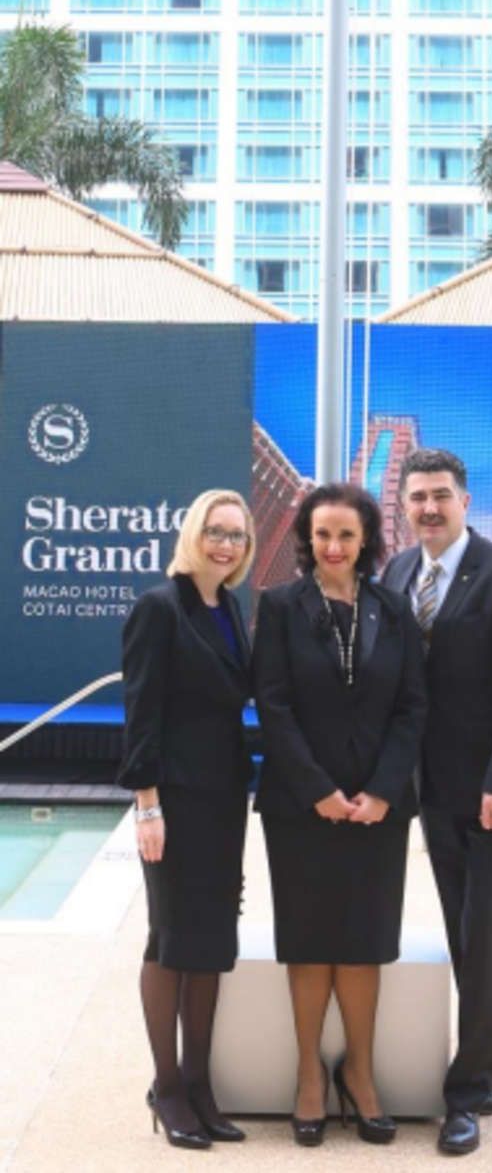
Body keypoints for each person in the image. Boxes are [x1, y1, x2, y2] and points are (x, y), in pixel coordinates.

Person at [382, 448, 492, 1158]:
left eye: (440, 495)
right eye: (417, 496)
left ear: (464, 499)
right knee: (469, 931)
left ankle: (471, 1088)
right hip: (437, 787)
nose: (428, 507)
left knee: (482, 931)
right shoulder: (395, 572)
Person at [253, 482, 427, 1149]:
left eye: (346, 535)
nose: (332, 546)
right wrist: (317, 787)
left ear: (367, 541)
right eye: (321, 534)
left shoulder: (394, 607)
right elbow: (273, 704)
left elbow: (413, 705)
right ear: (306, 538)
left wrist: (383, 789)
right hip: (302, 807)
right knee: (308, 939)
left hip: (378, 809)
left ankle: (359, 1071)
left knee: (364, 939)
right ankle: (307, 1075)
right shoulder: (279, 607)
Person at [118, 487, 255, 1151]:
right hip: (171, 800)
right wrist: (147, 805)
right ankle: (167, 1085)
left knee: (211, 938)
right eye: (216, 530)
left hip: (226, 798)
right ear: (192, 532)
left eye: (237, 534)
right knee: (169, 937)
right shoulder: (159, 606)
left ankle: (200, 1082)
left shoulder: (230, 607)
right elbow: (141, 713)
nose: (226, 543)